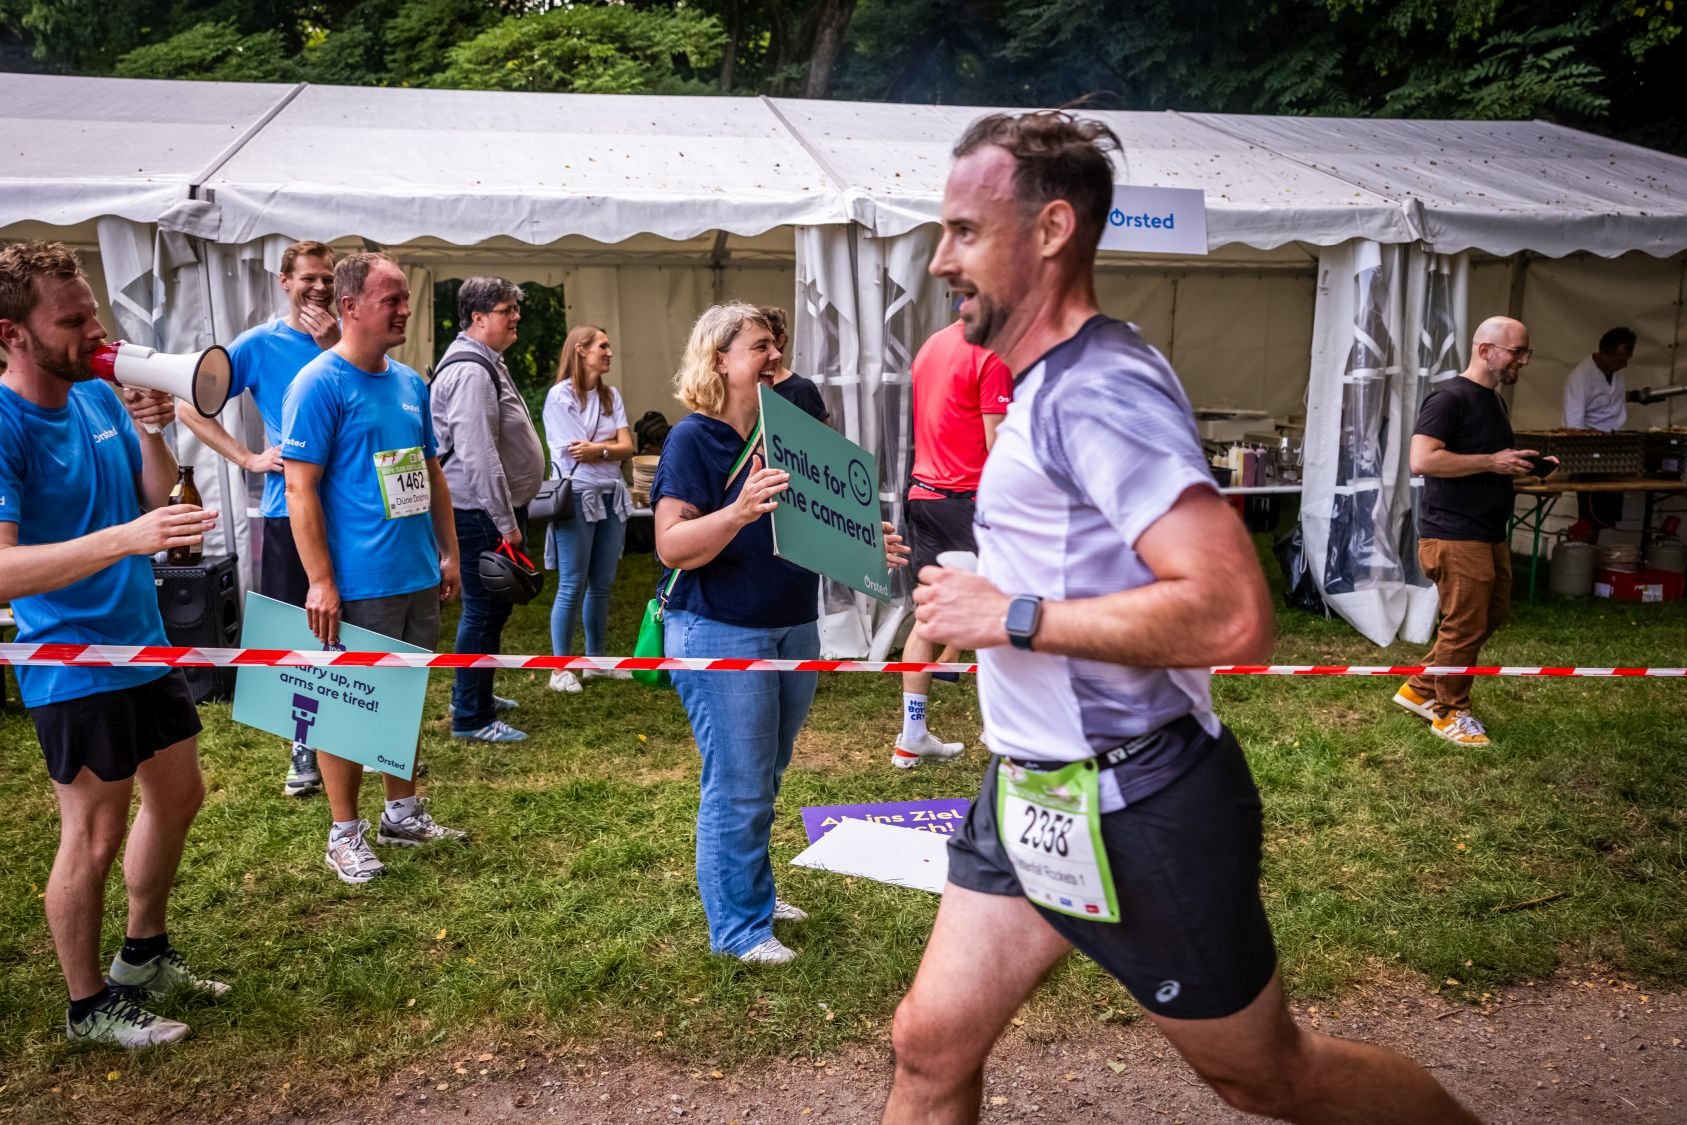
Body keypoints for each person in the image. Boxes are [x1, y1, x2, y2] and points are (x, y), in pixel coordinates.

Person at [880, 113, 1478, 1125]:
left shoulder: (1098, 388)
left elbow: (1231, 615)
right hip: (1030, 787)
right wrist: (975, 584)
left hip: (1136, 800)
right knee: (930, 1047)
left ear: (1052, 229)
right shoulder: (1043, 383)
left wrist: (1010, 613)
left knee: (1270, 1077)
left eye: (964, 232)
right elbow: (1082, 557)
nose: (941, 259)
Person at [0, 241, 227, 1046]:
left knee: (179, 796)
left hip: (141, 640)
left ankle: (143, 954)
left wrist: (151, 430)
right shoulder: (6, 424)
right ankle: (87, 1005)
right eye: (72, 322)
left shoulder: (96, 392)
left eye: (93, 313)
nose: (95, 333)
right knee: (93, 833)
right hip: (71, 658)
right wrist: (125, 539)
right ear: (12, 334)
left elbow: (152, 497)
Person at [651, 303, 909, 965]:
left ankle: (752, 895)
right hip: (717, 630)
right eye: (759, 346)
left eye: (774, 344)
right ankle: (738, 928)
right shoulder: (692, 440)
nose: (775, 356)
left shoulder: (787, 430)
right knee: (737, 782)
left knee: (765, 773)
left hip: (792, 624)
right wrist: (737, 512)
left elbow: (814, 523)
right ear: (719, 360)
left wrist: (862, 542)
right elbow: (672, 545)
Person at [282, 251, 466, 884]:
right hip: (359, 583)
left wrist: (448, 550)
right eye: (392, 300)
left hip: (415, 573)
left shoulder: (411, 383)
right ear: (350, 306)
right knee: (348, 708)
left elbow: (431, 473)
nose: (405, 310)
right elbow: (299, 489)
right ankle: (343, 834)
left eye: (406, 298)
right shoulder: (318, 384)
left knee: (403, 697)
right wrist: (321, 581)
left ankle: (402, 813)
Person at [176, 239, 338, 798]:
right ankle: (303, 745)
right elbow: (188, 405)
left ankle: (358, 737)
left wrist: (334, 345)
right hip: (290, 508)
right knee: (301, 628)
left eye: (328, 278)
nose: (319, 287)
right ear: (284, 282)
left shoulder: (350, 340)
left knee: (356, 627)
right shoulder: (260, 343)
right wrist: (247, 457)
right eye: (309, 278)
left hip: (354, 511)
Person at [1392, 317, 1541, 748]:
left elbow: (1483, 459)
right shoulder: (1449, 399)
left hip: (1488, 531)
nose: (1523, 361)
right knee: (1464, 625)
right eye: (1517, 352)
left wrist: (1516, 463)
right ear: (1485, 350)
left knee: (1489, 615)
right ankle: (1450, 712)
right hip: (1454, 533)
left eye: (1526, 352)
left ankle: (1421, 687)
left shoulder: (1494, 402)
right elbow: (1422, 460)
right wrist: (1493, 461)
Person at [891, 316, 1012, 769]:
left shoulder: (933, 343)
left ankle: (913, 736)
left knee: (929, 615)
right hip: (969, 499)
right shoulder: (992, 352)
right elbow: (999, 445)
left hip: (925, 495)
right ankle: (1005, 733)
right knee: (1002, 611)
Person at [431, 276, 544, 741]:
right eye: (506, 309)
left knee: (492, 612)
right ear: (478, 317)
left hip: (486, 510)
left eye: (515, 307)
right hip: (479, 512)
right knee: (482, 612)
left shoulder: (484, 361)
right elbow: (477, 455)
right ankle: (471, 717)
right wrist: (505, 522)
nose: (516, 316)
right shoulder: (472, 372)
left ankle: (474, 693)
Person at [542, 324, 635, 693]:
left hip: (612, 494)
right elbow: (573, 450)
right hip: (577, 496)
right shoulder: (559, 396)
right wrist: (609, 446)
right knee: (572, 584)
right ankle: (559, 669)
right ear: (581, 350)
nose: (609, 352)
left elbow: (628, 446)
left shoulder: (612, 395)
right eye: (602, 346)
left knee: (602, 585)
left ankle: (596, 663)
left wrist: (600, 448)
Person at [1562, 326, 1637, 533]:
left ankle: (1599, 546)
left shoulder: (1616, 373)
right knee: (1591, 512)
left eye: (1626, 360)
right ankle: (1582, 545)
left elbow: (1614, 406)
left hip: (1614, 446)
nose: (1624, 365)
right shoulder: (1581, 377)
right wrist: (1584, 452)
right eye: (1620, 360)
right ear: (1605, 353)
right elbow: (1574, 422)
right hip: (1589, 450)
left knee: (1608, 512)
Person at [757, 305, 829, 424]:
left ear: (781, 341)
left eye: (767, 342)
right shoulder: (744, 386)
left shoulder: (802, 389)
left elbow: (822, 434)